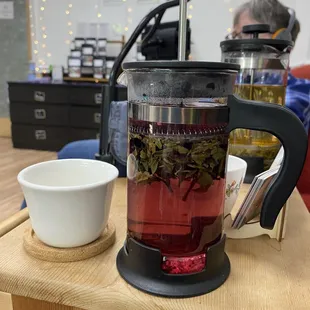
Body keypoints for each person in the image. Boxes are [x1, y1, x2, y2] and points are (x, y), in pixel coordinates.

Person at [230, 0, 310, 133]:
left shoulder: (300, 91)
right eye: (235, 36)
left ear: (279, 39)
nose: (238, 44)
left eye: (247, 33)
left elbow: (268, 126)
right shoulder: (237, 83)